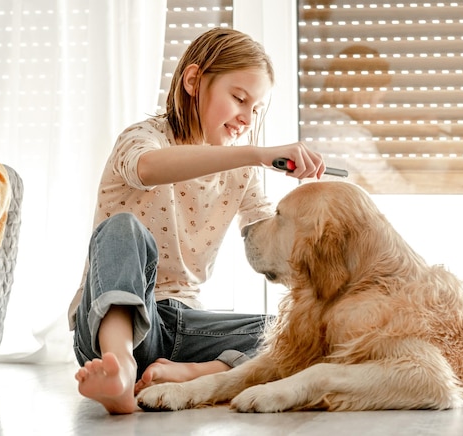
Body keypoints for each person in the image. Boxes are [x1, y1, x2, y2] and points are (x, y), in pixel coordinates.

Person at [68, 27, 325, 415]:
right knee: (122, 229)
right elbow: (148, 168)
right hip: (107, 327)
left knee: (290, 329)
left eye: (256, 109)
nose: (246, 118)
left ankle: (199, 372)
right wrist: (255, 154)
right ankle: (119, 368)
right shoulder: (142, 138)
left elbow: (269, 241)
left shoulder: (242, 173)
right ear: (193, 81)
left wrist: (316, 212)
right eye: (239, 98)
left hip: (182, 325)